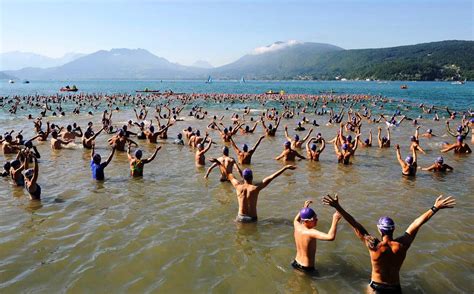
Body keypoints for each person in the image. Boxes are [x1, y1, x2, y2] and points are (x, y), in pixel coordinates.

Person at [322, 193, 456, 293]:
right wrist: (435, 208)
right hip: (395, 288)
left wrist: (338, 206)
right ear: (393, 229)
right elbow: (417, 223)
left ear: (379, 230)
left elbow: (354, 224)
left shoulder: (373, 245)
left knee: (366, 288)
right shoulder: (402, 245)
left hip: (376, 287)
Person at [226, 165, 296, 222]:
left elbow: (230, 175)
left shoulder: (238, 186)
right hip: (252, 218)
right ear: (252, 177)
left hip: (240, 218)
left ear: (243, 177)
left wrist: (225, 165)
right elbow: (271, 177)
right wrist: (285, 167)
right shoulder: (255, 188)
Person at [292, 200, 341, 273]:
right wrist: (335, 220)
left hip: (295, 263)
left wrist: (304, 208)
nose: (317, 219)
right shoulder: (310, 232)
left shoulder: (297, 225)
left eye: (316, 217)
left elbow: (296, 219)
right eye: (314, 219)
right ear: (306, 221)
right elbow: (330, 237)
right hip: (306, 269)